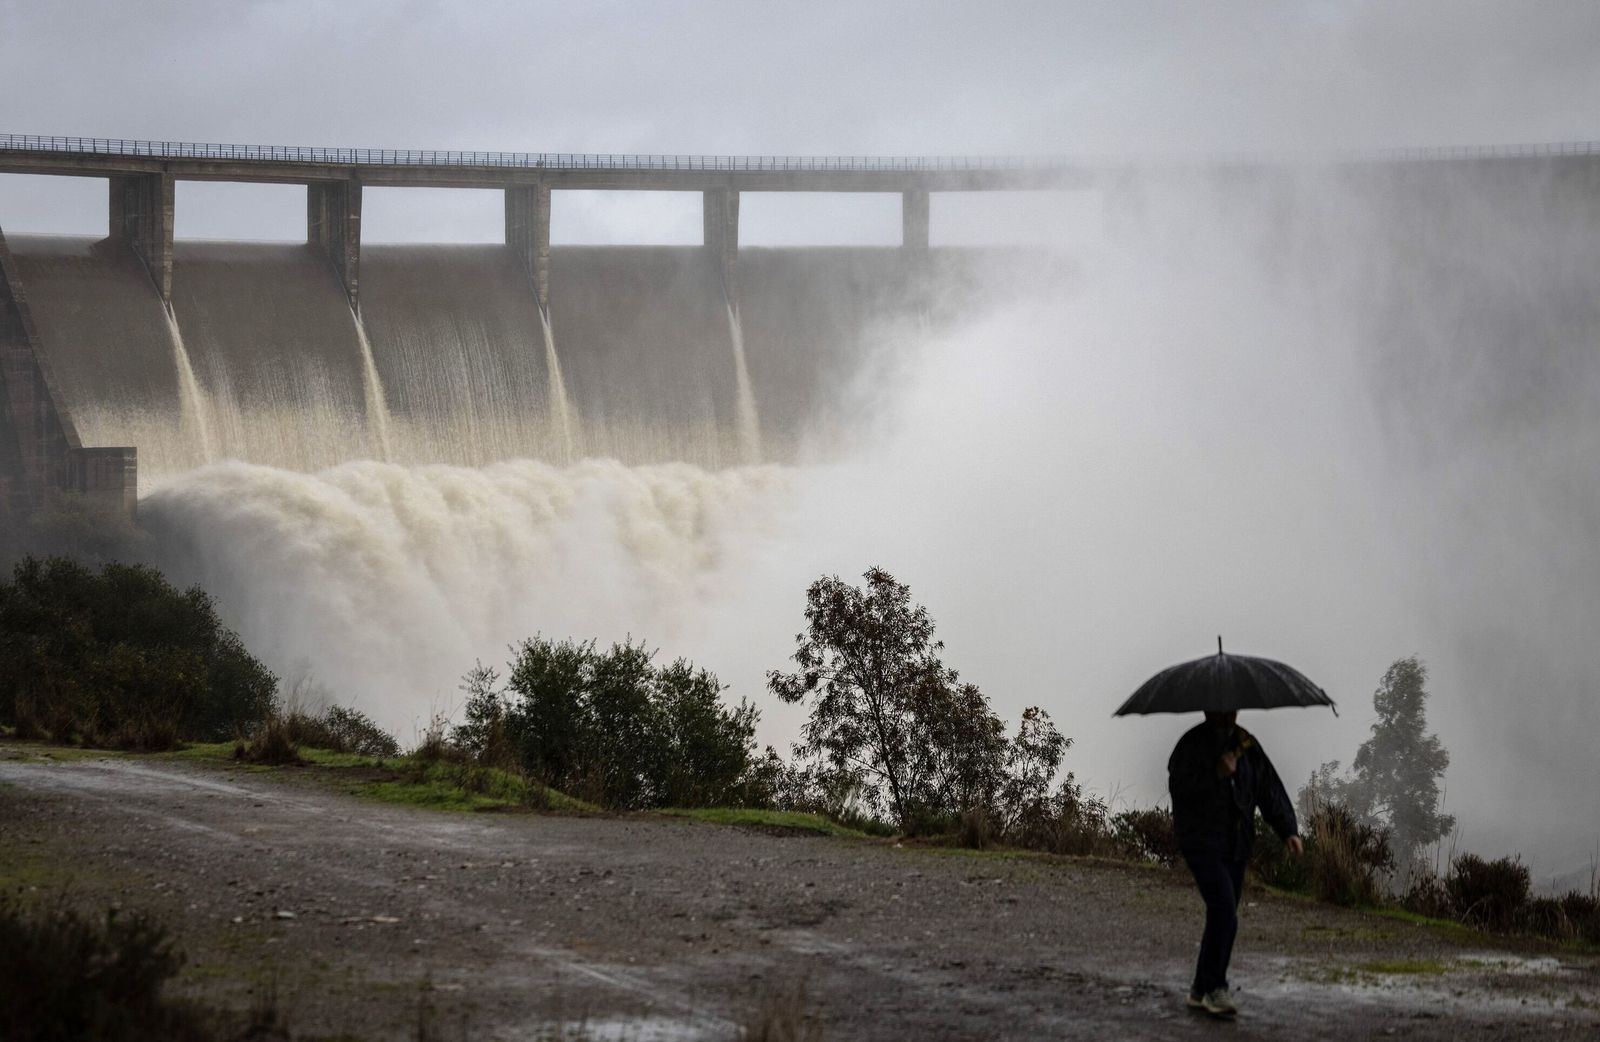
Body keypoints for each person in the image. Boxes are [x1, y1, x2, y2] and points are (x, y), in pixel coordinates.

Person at [1168, 710, 1302, 1018]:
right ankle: (1216, 987)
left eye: (1232, 707)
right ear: (1207, 710)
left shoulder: (1246, 745)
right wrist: (1215, 773)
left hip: (1236, 844)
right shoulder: (1191, 745)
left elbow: (1269, 788)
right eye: (1221, 707)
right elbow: (1180, 788)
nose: (1229, 713)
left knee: (1222, 914)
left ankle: (1200, 989)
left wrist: (1288, 830)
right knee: (1225, 910)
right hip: (1200, 841)